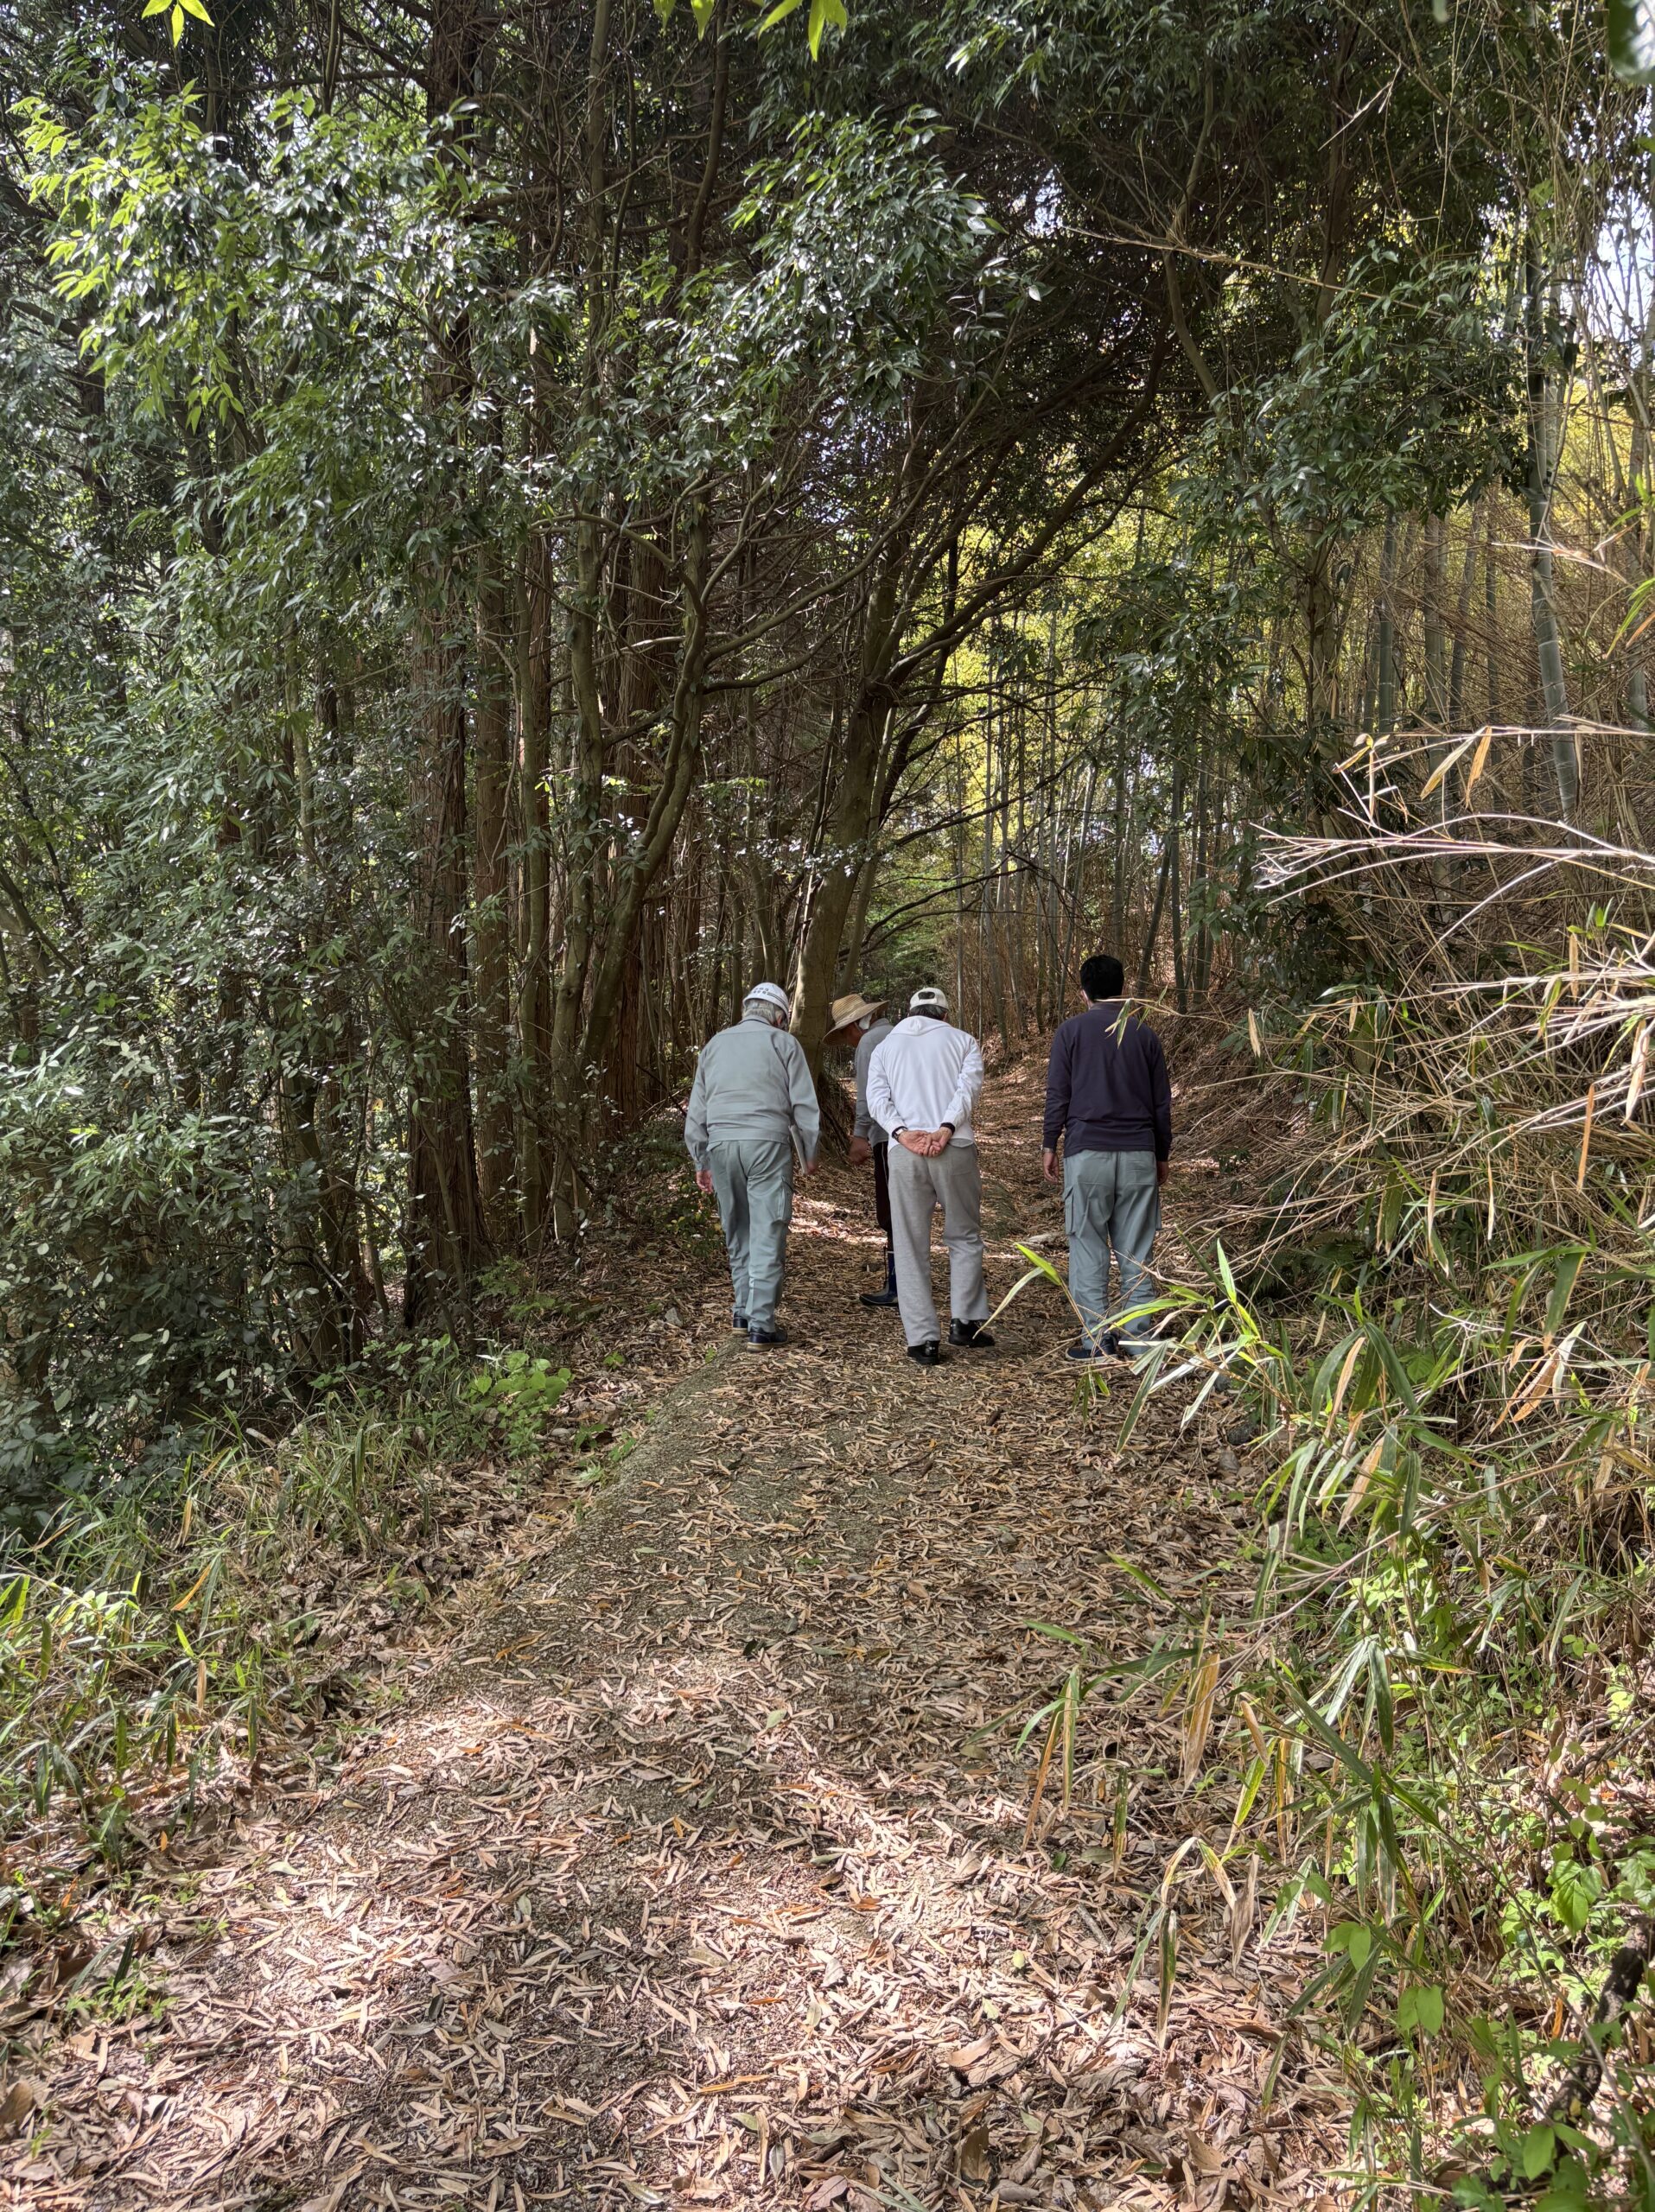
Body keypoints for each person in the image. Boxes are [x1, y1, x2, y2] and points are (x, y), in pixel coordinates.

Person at [1041, 953, 1172, 1362]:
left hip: (1087, 1153)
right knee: (1136, 1248)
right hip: (1138, 1153)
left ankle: (1095, 1339)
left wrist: (1050, 1142)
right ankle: (1139, 1337)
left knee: (1087, 1245)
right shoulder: (1145, 1036)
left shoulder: (1071, 1032)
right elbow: (1161, 1105)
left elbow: (1058, 1094)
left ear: (1084, 992)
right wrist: (1161, 1154)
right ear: (1122, 989)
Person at [684, 981, 820, 1351]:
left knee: (737, 1228)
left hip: (721, 1145)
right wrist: (809, 1152)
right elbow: (804, 1104)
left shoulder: (714, 1045)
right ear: (779, 1016)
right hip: (767, 1143)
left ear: (747, 1009)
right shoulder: (784, 1043)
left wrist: (701, 1158)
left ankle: (742, 1311)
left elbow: (698, 1107)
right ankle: (761, 1324)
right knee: (767, 1227)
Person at [864, 987, 993, 1368]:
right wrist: (945, 1127)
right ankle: (965, 1321)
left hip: (904, 1151)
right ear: (946, 1015)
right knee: (964, 1234)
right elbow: (966, 1090)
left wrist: (902, 1131)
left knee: (909, 1242)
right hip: (953, 1147)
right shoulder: (963, 1041)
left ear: (911, 1012)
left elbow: (876, 1099)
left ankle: (922, 1339)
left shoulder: (885, 1047)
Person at [824, 989, 896, 1309]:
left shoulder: (870, 1043)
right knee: (906, 1211)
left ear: (854, 1027)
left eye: (845, 1035)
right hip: (913, 1135)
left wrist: (859, 1137)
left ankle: (897, 1284)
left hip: (887, 1136)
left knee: (891, 1213)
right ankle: (905, 1282)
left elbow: (869, 1096)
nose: (849, 1042)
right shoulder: (898, 1034)